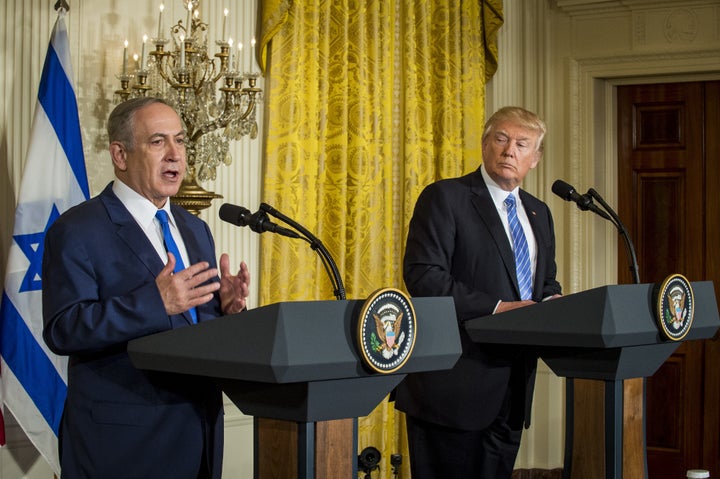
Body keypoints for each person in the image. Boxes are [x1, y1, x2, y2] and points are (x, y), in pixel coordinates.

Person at [42, 97, 251, 479]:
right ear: (120, 155)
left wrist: (227, 311)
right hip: (122, 445)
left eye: (181, 141)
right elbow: (63, 328)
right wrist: (154, 303)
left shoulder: (193, 228)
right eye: (158, 142)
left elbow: (194, 330)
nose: (175, 155)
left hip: (199, 432)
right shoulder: (77, 229)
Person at [394, 106, 562, 478]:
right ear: (485, 145)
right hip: (452, 386)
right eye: (501, 139)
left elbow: (544, 283)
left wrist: (552, 304)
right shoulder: (446, 198)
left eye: (522, 144)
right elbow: (424, 277)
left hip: (513, 386)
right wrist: (498, 307)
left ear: (534, 159)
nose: (509, 151)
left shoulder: (539, 213)